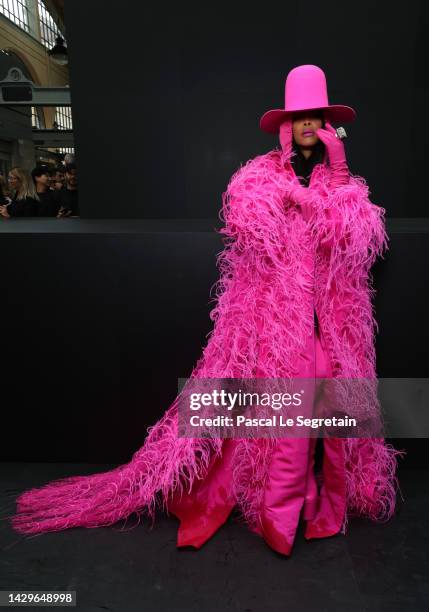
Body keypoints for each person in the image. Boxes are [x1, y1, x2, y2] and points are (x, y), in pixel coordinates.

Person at [10, 65, 405, 557]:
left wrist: (339, 176)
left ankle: (315, 507)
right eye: (299, 116)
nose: (308, 124)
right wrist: (288, 196)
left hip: (328, 321)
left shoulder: (337, 181)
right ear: (287, 124)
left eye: (316, 115)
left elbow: (359, 242)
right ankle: (280, 519)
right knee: (287, 412)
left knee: (332, 408)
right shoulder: (261, 175)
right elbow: (247, 223)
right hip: (277, 324)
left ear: (327, 123)